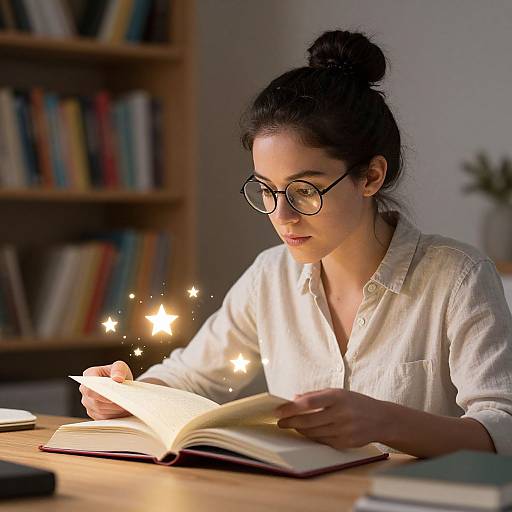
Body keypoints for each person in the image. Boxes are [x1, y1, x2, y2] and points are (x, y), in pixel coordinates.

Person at [80, 29, 512, 457]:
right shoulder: (270, 277)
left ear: (371, 176)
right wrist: (123, 392)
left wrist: (385, 421)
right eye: (266, 189)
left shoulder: (458, 278)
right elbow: (188, 377)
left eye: (305, 190)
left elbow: (502, 430)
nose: (281, 216)